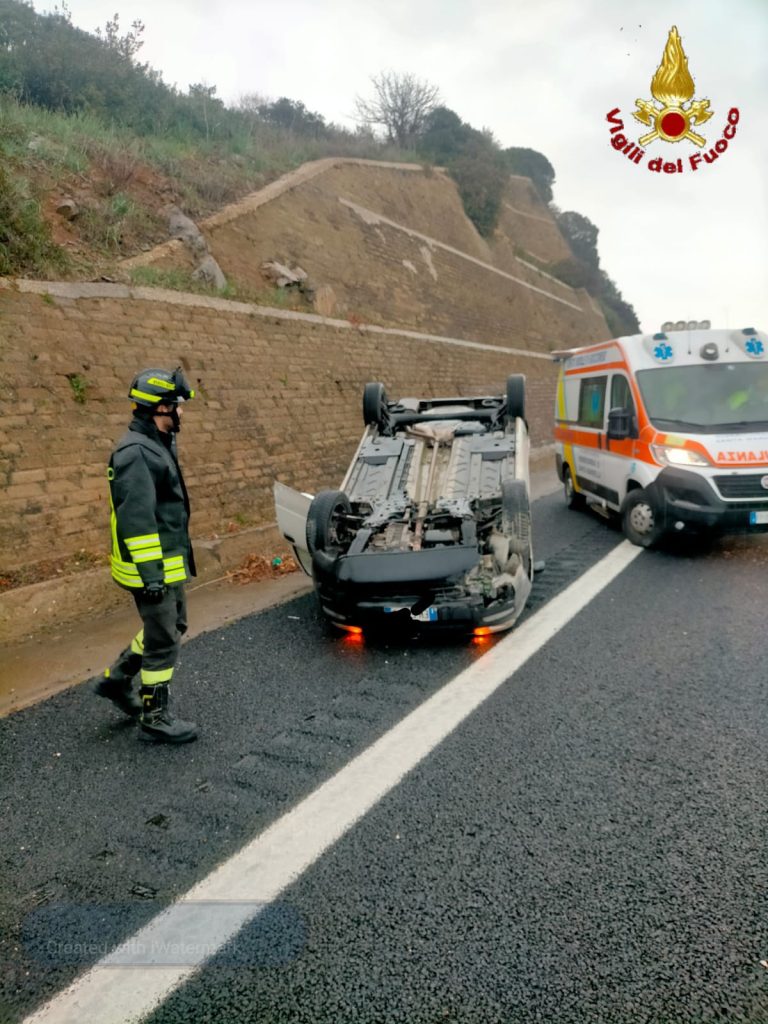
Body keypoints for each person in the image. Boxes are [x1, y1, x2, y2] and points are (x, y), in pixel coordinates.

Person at [95, 367, 198, 743]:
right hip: (150, 569)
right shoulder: (136, 453)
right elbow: (136, 520)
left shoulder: (156, 444)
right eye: (177, 406)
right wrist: (151, 575)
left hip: (166, 563)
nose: (181, 413)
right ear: (160, 409)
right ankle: (154, 715)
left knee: (175, 625)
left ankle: (118, 679)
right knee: (163, 639)